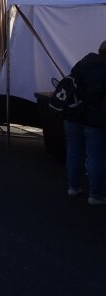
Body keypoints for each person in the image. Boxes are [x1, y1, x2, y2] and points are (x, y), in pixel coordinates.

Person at [65, 41, 106, 206]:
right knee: (95, 158)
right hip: (95, 121)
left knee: (74, 152)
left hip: (73, 115)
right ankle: (95, 195)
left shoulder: (83, 63)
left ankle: (73, 188)